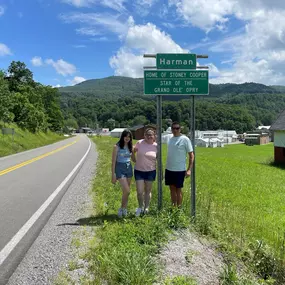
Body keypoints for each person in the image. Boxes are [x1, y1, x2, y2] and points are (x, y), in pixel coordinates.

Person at [165, 122, 194, 207]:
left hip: (179, 169)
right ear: (171, 129)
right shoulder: (170, 138)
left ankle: (179, 208)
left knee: (178, 189)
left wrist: (189, 169)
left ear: (180, 129)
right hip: (169, 168)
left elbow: (191, 155)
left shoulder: (185, 139)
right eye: (173, 128)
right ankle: (173, 207)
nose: (175, 130)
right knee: (172, 189)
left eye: (177, 128)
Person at [133, 128, 157, 216]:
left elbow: (158, 160)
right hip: (139, 171)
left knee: (148, 190)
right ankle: (140, 206)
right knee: (139, 191)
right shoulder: (139, 143)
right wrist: (133, 159)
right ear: (144, 136)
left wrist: (160, 171)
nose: (149, 136)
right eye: (147, 135)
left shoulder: (156, 146)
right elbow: (133, 151)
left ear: (154, 136)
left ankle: (146, 208)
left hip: (151, 171)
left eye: (151, 135)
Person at [111, 129, 135, 217]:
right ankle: (121, 208)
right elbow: (113, 162)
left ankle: (124, 209)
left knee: (126, 191)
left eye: (129, 137)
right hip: (119, 168)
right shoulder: (116, 146)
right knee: (127, 191)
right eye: (126, 136)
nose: (127, 138)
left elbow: (133, 159)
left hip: (128, 168)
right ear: (122, 136)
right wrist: (113, 174)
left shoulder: (131, 147)